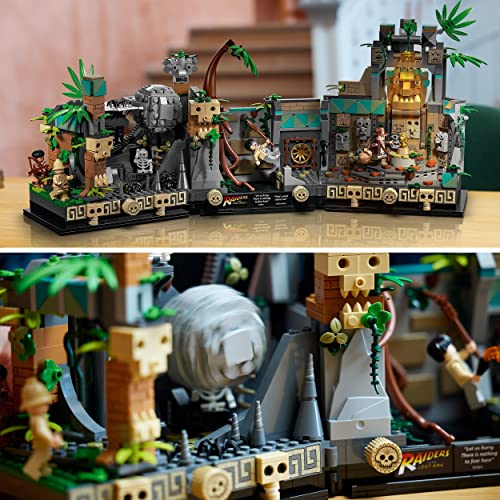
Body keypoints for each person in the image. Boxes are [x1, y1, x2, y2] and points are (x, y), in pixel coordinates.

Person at [20, 377, 63, 481]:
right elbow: (41, 432)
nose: (44, 407)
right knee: (40, 456)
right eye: (39, 405)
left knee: (46, 455)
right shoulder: (37, 420)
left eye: (45, 404)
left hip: (43, 442)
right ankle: (30, 469)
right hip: (41, 441)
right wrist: (50, 439)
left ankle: (43, 468)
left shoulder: (40, 417)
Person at [427, 334, 485, 410]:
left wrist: (468, 350)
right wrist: (472, 376)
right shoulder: (452, 365)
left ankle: (481, 404)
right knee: (473, 393)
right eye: (450, 346)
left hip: (469, 379)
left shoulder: (454, 358)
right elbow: (461, 374)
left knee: (476, 391)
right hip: (467, 381)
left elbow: (462, 355)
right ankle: (479, 407)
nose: (453, 347)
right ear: (444, 351)